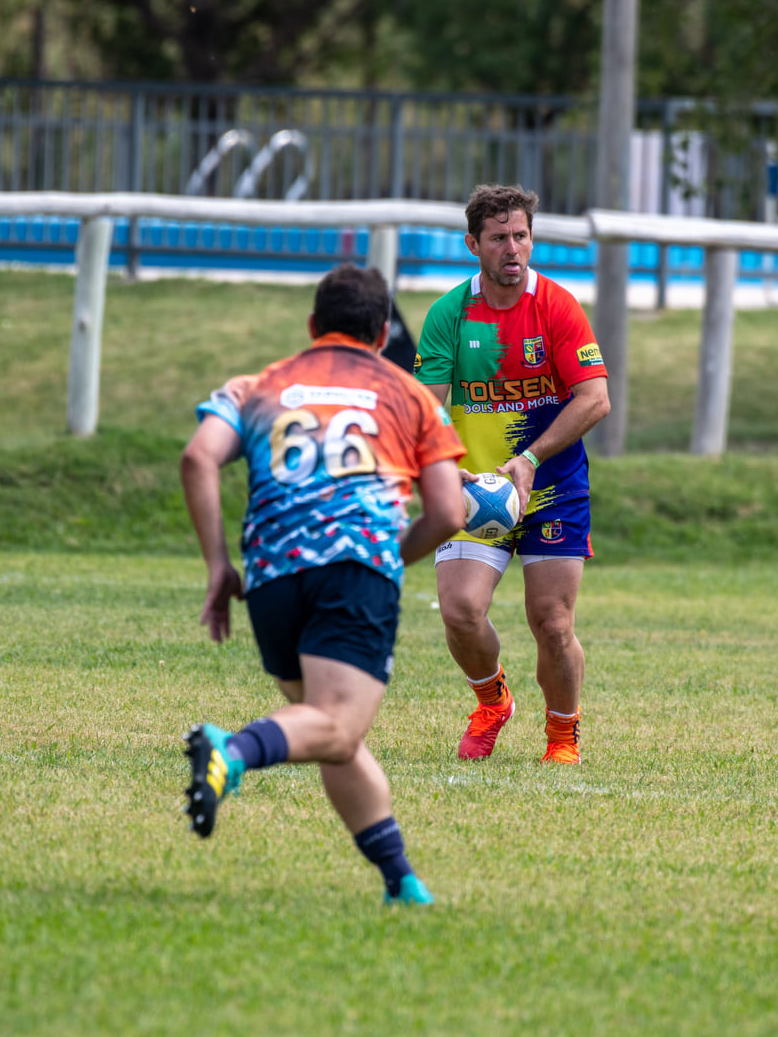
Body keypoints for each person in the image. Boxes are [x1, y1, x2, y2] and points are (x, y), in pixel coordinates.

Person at [179, 265, 467, 905]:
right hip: (353, 571)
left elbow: (199, 456)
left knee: (332, 732)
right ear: (383, 332)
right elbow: (449, 514)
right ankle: (234, 752)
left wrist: (218, 565)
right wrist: (386, 556)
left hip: (272, 578)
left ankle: (402, 882)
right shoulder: (411, 395)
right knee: (334, 727)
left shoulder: (259, 384)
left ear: (313, 326)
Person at [413, 184, 611, 764]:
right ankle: (493, 700)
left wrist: (529, 459)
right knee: (460, 610)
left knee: (552, 624)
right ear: (473, 244)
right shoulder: (450, 314)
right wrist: (447, 470)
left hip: (551, 486)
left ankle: (562, 734)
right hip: (476, 492)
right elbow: (427, 408)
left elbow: (595, 398)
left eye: (521, 236)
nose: (512, 248)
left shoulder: (556, 306)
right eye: (498, 238)